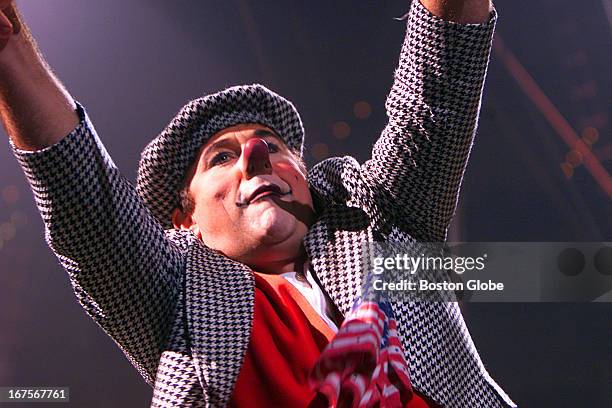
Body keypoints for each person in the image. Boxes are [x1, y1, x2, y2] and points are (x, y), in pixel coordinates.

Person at [0, 0, 516, 407]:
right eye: (220, 159)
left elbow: (439, 91)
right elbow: (85, 206)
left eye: (271, 146)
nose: (255, 156)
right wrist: (9, 49)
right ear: (185, 221)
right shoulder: (172, 301)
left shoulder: (380, 223)